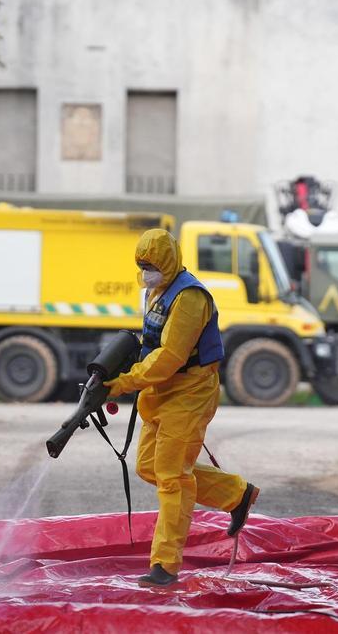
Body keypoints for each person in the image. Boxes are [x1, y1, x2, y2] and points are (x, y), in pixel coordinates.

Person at [106, 228, 260, 587]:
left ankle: (165, 566)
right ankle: (237, 495)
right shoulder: (157, 291)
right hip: (161, 391)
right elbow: (152, 343)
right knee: (149, 467)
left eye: (152, 265)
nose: (146, 273)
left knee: (172, 476)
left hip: (189, 392)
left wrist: (126, 382)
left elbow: (172, 356)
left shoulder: (190, 298)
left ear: (169, 261)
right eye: (141, 266)